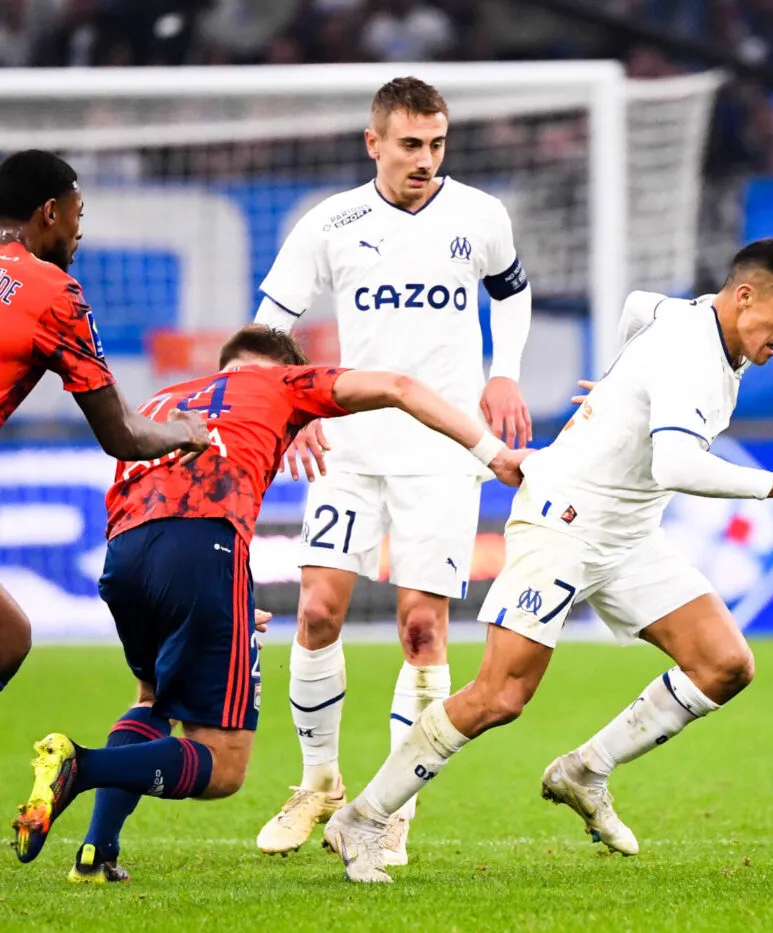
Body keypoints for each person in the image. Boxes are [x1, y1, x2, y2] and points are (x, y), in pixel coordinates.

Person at [321, 240, 773, 884]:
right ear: (744, 296)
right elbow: (676, 464)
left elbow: (635, 308)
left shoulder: (690, 321)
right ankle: (363, 819)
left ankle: (584, 770)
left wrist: (618, 386)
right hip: (565, 520)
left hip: (629, 535)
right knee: (501, 695)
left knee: (725, 664)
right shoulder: (690, 355)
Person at [10, 324, 528, 882]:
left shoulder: (165, 397)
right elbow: (399, 385)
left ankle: (97, 852)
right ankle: (81, 766)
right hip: (202, 548)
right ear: (283, 368)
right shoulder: (283, 384)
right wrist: (493, 454)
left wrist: (226, 601)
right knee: (222, 766)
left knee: (152, 697)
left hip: (124, 554)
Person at [252, 76, 534, 864]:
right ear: (372, 142)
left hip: (445, 450)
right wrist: (292, 405)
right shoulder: (331, 222)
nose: (426, 159)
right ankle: (318, 784)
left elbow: (513, 290)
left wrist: (503, 370)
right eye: (411, 144)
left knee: (421, 627)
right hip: (352, 445)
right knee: (315, 612)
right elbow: (269, 323)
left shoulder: (479, 216)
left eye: (438, 144)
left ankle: (392, 803)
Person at [0, 149, 209, 694]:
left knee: (7, 634)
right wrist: (186, 431)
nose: (79, 232)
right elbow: (122, 434)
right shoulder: (51, 292)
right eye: (78, 214)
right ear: (50, 211)